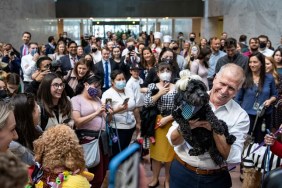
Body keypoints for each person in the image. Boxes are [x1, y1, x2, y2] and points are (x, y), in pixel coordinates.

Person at [167, 63, 250, 188]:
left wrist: (214, 129)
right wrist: (188, 125)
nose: (224, 91)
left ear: (237, 91)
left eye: (231, 88)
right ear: (215, 78)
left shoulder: (240, 116)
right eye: (222, 83)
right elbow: (173, 140)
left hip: (215, 179)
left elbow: (231, 156)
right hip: (182, 172)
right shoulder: (191, 98)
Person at [71, 74, 108, 188]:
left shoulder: (97, 99)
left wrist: (114, 111)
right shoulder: (76, 99)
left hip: (101, 139)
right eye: (95, 86)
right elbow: (77, 121)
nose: (97, 90)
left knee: (101, 174)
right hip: (87, 141)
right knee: (89, 173)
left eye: (99, 87)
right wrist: (96, 113)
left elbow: (107, 118)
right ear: (86, 85)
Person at [144, 62, 177, 188]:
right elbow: (147, 103)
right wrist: (159, 93)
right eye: (162, 70)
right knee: (156, 155)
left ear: (171, 73)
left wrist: (168, 118)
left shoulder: (177, 87)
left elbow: (183, 108)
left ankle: (167, 180)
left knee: (170, 155)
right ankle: (155, 178)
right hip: (156, 123)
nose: (165, 73)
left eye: (168, 70)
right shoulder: (153, 86)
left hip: (172, 122)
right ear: (157, 73)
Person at [235, 52, 277, 143]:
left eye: (255, 62)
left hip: (264, 116)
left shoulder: (269, 78)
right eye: (250, 62)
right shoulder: (244, 78)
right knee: (244, 142)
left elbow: (275, 95)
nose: (252, 65)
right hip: (247, 116)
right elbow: (238, 98)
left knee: (261, 142)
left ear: (261, 63)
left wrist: (270, 100)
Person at [101, 70, 136, 157]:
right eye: (118, 79)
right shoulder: (107, 95)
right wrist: (117, 110)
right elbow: (107, 115)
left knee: (125, 152)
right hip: (118, 129)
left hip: (131, 126)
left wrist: (138, 123)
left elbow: (135, 107)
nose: (122, 81)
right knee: (117, 154)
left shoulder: (128, 90)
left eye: (123, 79)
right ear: (112, 82)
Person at [9, 93, 41, 166]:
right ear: (29, 115)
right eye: (36, 108)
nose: (39, 111)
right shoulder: (14, 145)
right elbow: (35, 165)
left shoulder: (37, 128)